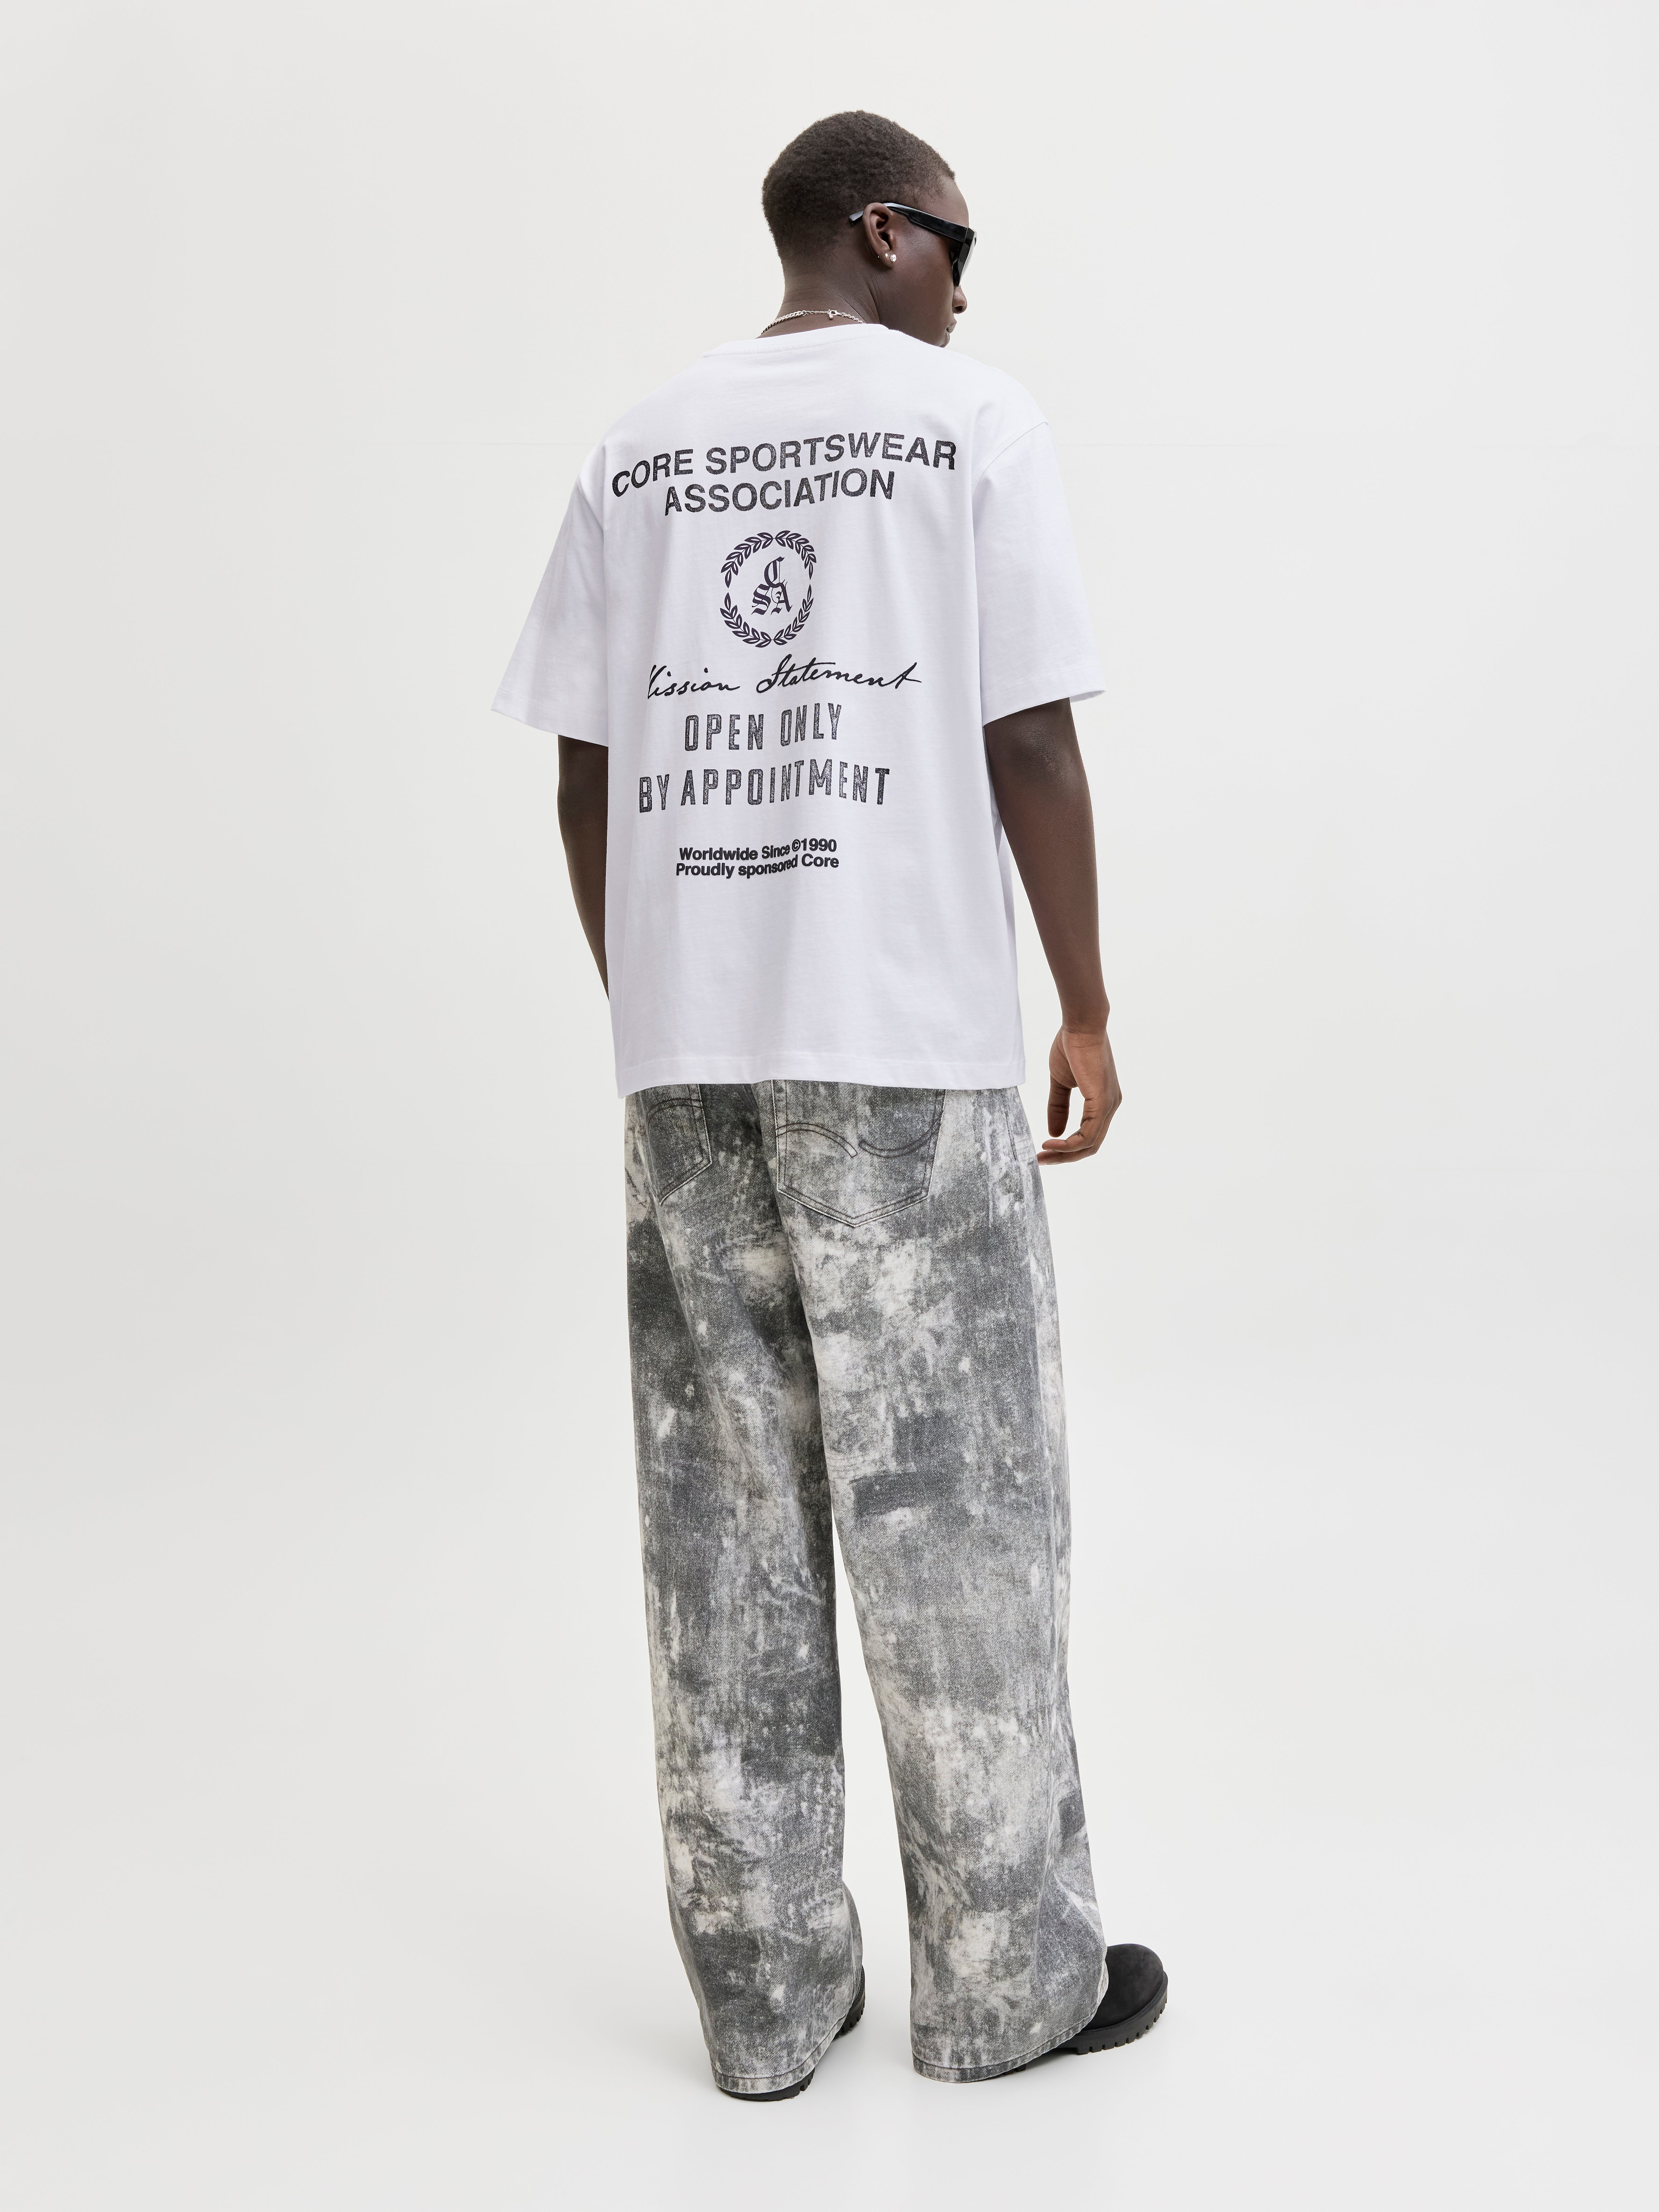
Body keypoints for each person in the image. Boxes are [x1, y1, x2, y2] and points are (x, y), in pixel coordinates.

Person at [494, 109, 1165, 2099]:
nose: (965, 285)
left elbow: (584, 771)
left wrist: (658, 993)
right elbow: (1026, 734)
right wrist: (1088, 1001)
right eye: (958, 241)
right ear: (884, 230)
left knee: (723, 1524)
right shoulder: (969, 425)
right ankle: (1008, 1984)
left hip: (690, 1063)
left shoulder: (638, 447)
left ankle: (767, 2001)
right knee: (959, 1509)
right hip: (907, 1039)